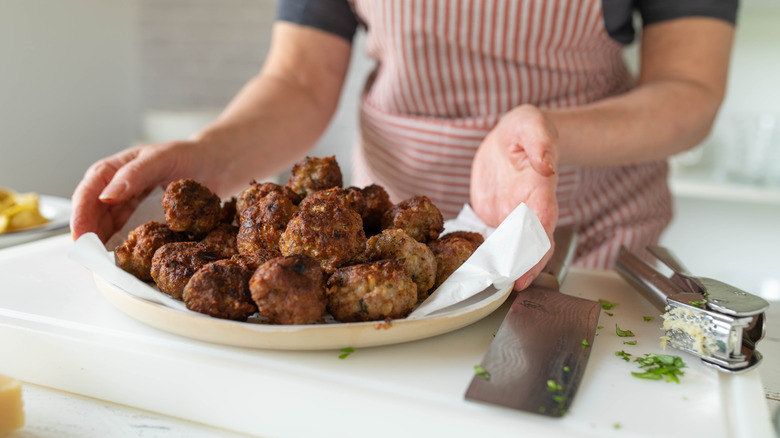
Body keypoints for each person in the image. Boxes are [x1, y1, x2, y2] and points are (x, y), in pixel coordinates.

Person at [70, 0, 737, 290]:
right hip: (365, 251)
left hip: (585, 239)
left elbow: (690, 90)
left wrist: (550, 135)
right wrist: (211, 153)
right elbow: (299, 78)